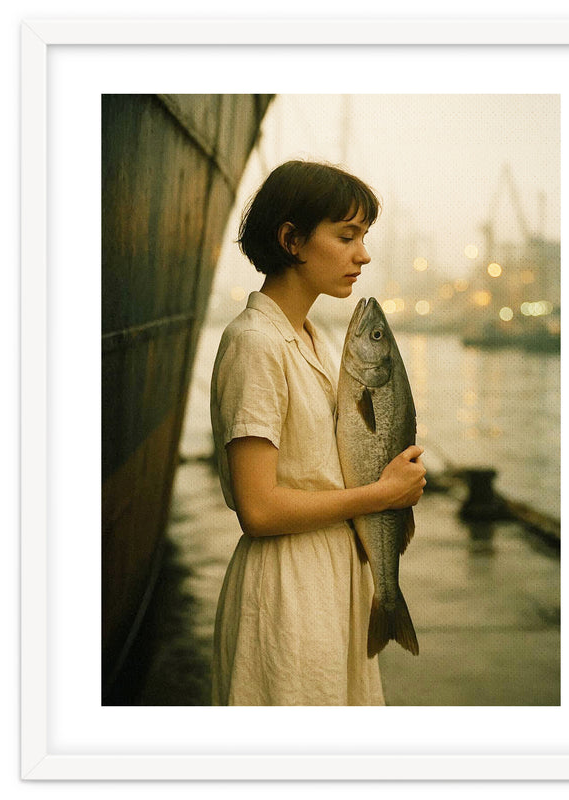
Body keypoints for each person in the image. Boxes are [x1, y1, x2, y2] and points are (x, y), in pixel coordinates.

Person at [209, 160, 426, 705]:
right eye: (347, 236)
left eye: (364, 238)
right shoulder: (256, 344)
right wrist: (383, 495)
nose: (363, 255)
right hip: (287, 590)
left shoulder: (311, 340)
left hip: (337, 582)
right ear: (291, 240)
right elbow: (259, 509)